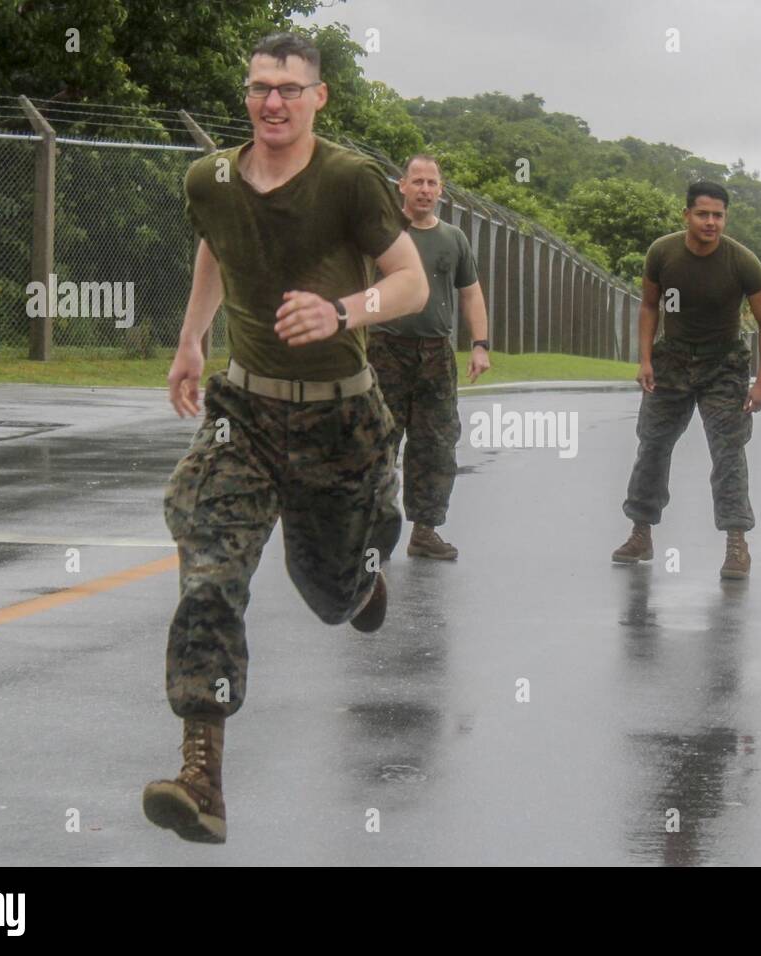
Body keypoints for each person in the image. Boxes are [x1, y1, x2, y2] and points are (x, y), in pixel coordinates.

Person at [142, 31, 429, 845]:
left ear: (318, 98)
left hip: (342, 419)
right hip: (247, 413)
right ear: (247, 95)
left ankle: (366, 567)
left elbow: (407, 281)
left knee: (328, 595)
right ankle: (202, 774)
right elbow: (215, 245)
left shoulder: (348, 180)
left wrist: (342, 311)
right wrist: (192, 339)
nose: (274, 102)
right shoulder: (213, 178)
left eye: (290, 90)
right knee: (209, 571)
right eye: (261, 87)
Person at [611, 181, 761, 579]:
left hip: (723, 366)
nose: (711, 222)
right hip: (673, 361)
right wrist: (645, 359)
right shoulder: (663, 253)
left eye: (718, 215)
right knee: (652, 445)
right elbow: (650, 306)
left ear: (725, 218)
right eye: (703, 214)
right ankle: (641, 532)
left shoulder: (742, 262)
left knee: (728, 453)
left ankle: (737, 544)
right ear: (686, 215)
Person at [367, 154, 490, 560]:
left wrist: (479, 344)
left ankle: (425, 530)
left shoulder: (453, 239)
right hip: (385, 349)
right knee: (379, 440)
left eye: (431, 183)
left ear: (440, 190)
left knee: (435, 444)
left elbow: (470, 292)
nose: (423, 190)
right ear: (401, 186)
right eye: (416, 181)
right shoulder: (381, 232)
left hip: (436, 355)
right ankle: (373, 532)